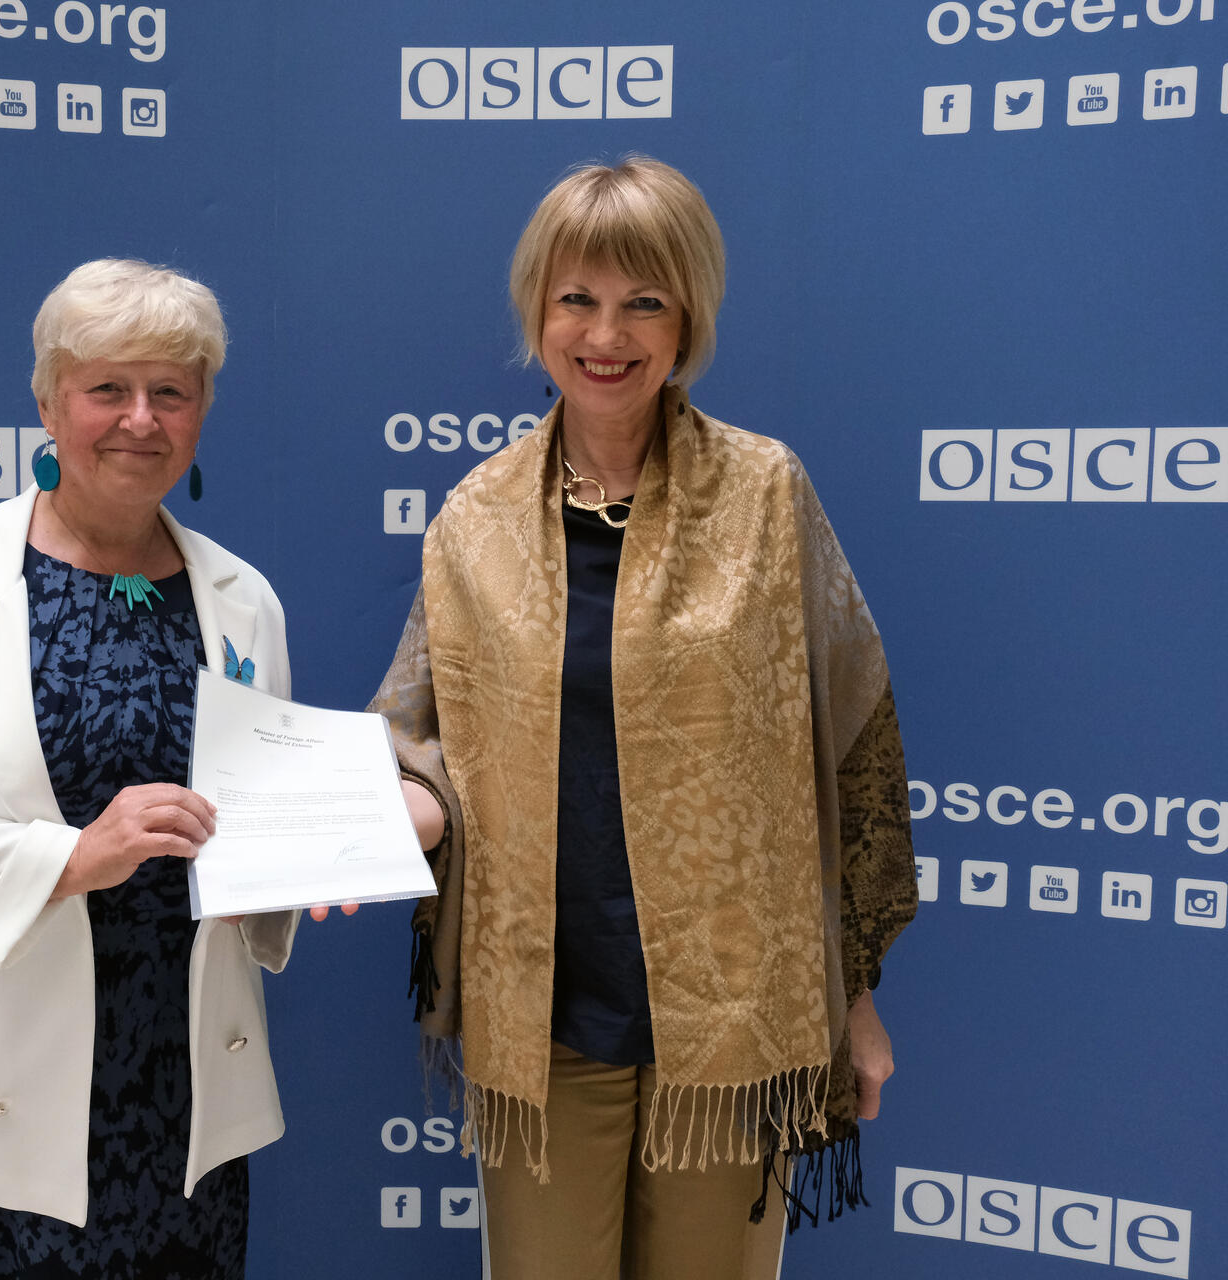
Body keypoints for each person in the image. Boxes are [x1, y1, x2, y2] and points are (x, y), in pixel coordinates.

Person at [371, 158, 920, 1280]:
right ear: (538, 311)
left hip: (734, 1016)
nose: (606, 334)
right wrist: (402, 807)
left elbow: (847, 752)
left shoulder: (766, 496)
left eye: (645, 302)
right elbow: (414, 731)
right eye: (577, 298)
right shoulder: (475, 516)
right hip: (542, 1016)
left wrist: (852, 997)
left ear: (689, 319)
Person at [0, 258, 334, 1279]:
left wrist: (299, 867)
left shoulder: (244, 598)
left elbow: (251, 826)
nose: (140, 419)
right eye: (107, 388)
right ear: (49, 403)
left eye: (170, 390)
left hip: (176, 1101)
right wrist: (72, 858)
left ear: (202, 410)